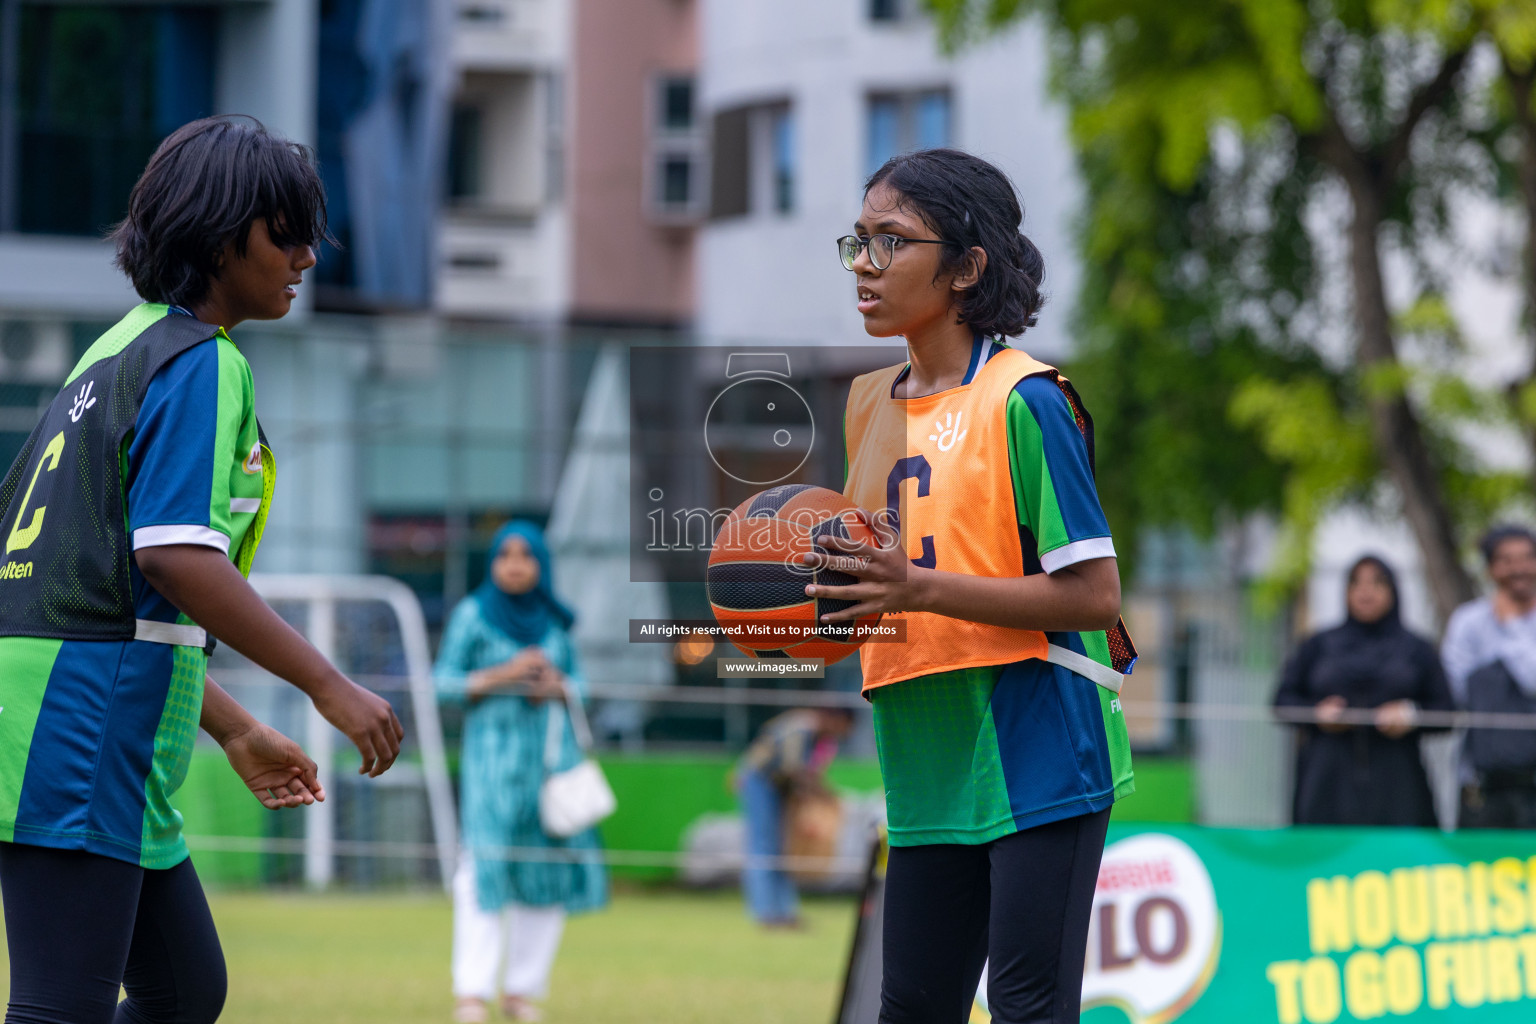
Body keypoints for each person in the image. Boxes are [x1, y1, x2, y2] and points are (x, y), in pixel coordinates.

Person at [0, 116, 404, 1024]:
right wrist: (328, 686)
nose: (306, 256)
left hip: (81, 711)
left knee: (184, 995)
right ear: (223, 238)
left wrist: (231, 729)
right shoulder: (199, 361)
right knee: (59, 1010)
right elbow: (173, 556)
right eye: (286, 233)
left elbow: (105, 582)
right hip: (78, 725)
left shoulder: (115, 350)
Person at [807, 149, 1135, 1024]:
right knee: (912, 1008)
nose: (865, 266)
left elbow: (1095, 598)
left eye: (892, 242)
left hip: (1034, 736)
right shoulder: (866, 401)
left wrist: (917, 589)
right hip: (923, 748)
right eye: (858, 241)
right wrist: (814, 607)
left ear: (965, 266)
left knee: (1029, 1008)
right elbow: (884, 586)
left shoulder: (1027, 398)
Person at [435, 521, 607, 1024]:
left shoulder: (554, 625)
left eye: (525, 556)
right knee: (482, 871)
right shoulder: (472, 616)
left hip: (549, 770)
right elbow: (441, 684)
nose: (513, 564)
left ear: (542, 565)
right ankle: (472, 992)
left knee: (545, 875)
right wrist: (502, 675)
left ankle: (521, 991)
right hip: (490, 769)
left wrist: (558, 685)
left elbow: (583, 688)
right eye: (503, 555)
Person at [1272, 556, 1455, 826]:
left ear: (1393, 590)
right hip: (1327, 783)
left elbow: (1447, 711)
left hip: (1398, 784)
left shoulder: (1416, 648)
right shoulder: (1319, 645)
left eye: (1377, 583)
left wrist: (1411, 715)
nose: (1366, 592)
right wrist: (1317, 714)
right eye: (1357, 583)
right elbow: (1282, 701)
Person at [1443, 524, 1536, 828]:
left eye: (1526, 558)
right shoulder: (1468, 622)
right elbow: (1455, 693)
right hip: (1483, 781)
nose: (1518, 568)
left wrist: (1511, 626)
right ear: (1490, 569)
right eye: (1506, 560)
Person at [734, 706, 854, 927]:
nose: (843, 733)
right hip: (760, 782)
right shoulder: (801, 727)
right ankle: (765, 914)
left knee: (783, 849)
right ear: (833, 719)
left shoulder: (821, 739)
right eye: (844, 727)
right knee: (763, 847)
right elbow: (793, 770)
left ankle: (784, 912)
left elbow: (806, 775)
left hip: (781, 788)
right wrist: (822, 795)